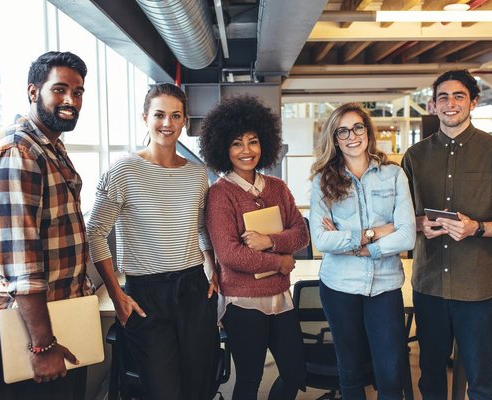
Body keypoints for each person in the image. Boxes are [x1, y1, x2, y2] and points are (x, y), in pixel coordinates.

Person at [401, 69, 492, 400]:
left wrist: (477, 227)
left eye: (459, 96)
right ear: (432, 105)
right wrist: (417, 223)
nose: (450, 103)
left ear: (473, 102)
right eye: (442, 97)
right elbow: (400, 217)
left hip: (476, 287)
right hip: (428, 285)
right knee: (430, 378)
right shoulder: (414, 157)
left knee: (481, 381)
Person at [86, 83, 218, 400]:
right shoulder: (124, 169)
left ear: (184, 121)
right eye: (159, 115)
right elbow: (95, 233)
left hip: (193, 287)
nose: (167, 123)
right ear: (145, 118)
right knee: (163, 391)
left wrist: (212, 267)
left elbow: (200, 227)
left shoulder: (198, 173)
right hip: (146, 292)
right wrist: (117, 294)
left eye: (175, 116)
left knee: (200, 387)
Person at [0, 51, 94, 400]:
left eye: (78, 92)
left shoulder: (50, 146)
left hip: (63, 316)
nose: (70, 100)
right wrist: (43, 346)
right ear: (33, 92)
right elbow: (20, 262)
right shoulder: (18, 152)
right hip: (36, 334)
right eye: (59, 90)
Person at [200, 94, 309, 400]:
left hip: (280, 298)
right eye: (237, 143)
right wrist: (279, 262)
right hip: (242, 300)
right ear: (224, 148)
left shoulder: (278, 187)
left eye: (253, 141)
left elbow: (301, 234)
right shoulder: (221, 194)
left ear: (265, 144)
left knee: (295, 373)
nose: (246, 151)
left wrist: (270, 241)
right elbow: (230, 255)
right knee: (249, 378)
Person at [309, 103, 416, 400]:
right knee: (350, 371)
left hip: (384, 286)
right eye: (342, 130)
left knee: (391, 374)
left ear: (368, 131)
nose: (352, 136)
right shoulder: (323, 180)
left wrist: (362, 247)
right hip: (339, 286)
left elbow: (408, 235)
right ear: (335, 138)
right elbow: (321, 240)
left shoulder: (393, 175)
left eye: (357, 127)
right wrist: (375, 233)